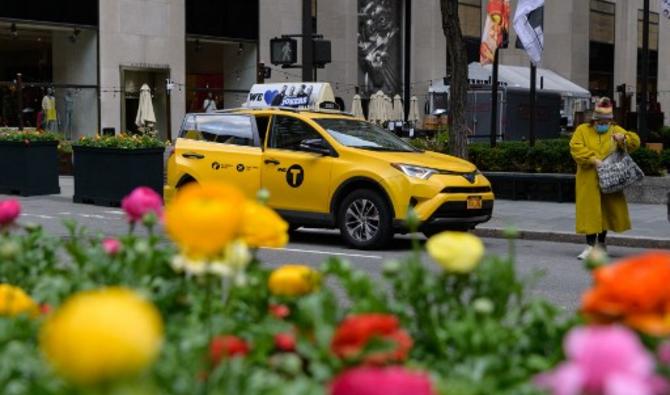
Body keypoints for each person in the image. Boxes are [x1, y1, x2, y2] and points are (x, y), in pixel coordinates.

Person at [569, 97, 640, 260]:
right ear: (593, 119)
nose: (603, 124)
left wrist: (624, 139)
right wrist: (593, 159)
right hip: (588, 178)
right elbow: (575, 148)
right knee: (590, 212)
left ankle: (601, 244)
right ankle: (590, 246)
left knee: (606, 212)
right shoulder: (582, 130)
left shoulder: (615, 130)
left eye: (607, 121)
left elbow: (635, 142)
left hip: (610, 179)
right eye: (600, 120)